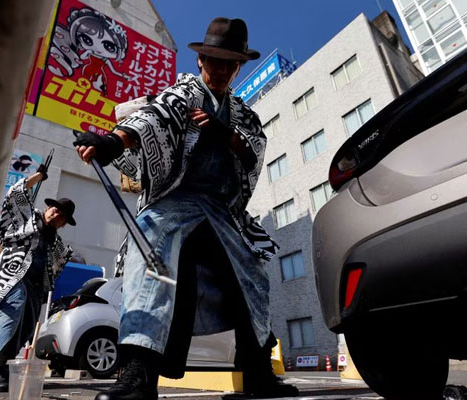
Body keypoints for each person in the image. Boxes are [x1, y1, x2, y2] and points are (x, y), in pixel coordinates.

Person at [74, 17, 299, 400]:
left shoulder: (244, 114)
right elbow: (153, 119)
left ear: (239, 66)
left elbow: (254, 149)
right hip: (174, 202)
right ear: (200, 61)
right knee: (151, 256)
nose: (223, 69)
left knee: (252, 278)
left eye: (231, 63)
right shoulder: (182, 94)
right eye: (215, 60)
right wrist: (113, 142)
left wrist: (223, 133)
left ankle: (259, 373)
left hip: (221, 212)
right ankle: (138, 375)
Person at [0, 164, 76, 392]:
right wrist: (38, 176)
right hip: (12, 278)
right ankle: (1, 371)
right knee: (11, 313)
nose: (55, 214)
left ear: (64, 223)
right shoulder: (27, 220)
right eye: (54, 209)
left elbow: (57, 267)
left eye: (61, 215)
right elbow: (14, 194)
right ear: (48, 208)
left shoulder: (59, 245)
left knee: (25, 328)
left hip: (35, 286)